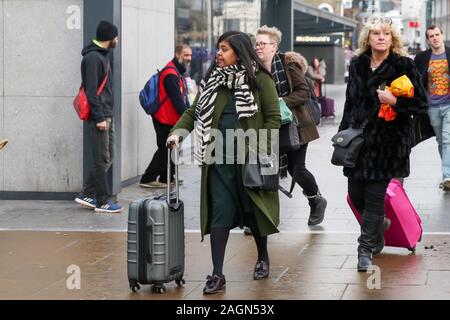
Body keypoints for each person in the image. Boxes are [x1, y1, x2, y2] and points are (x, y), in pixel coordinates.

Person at [167, 31, 281, 294]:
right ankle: (217, 273)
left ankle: (262, 256)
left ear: (239, 52)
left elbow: (273, 119)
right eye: (218, 48)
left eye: (225, 49)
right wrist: (177, 133)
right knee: (219, 211)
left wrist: (259, 151)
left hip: (248, 159)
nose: (218, 53)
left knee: (254, 211)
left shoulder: (260, 79)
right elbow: (193, 112)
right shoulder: (212, 80)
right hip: (217, 159)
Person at [338, 15, 427, 271]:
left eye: (386, 33)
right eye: (376, 33)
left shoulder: (404, 66)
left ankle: (365, 249)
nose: (380, 37)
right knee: (356, 195)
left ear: (392, 38)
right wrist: (343, 135)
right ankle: (380, 225)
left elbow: (421, 104)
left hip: (388, 144)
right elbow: (349, 102)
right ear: (368, 37)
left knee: (375, 198)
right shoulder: (357, 65)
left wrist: (395, 101)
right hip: (358, 142)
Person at [255, 25, 327, 226]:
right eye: (257, 44)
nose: (258, 47)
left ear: (274, 46)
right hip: (267, 127)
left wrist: (278, 103)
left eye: (263, 44)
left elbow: (304, 92)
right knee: (265, 170)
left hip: (296, 125)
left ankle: (316, 199)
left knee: (297, 169)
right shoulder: (254, 69)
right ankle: (264, 216)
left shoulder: (288, 65)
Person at [74, 21, 122, 214]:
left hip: (106, 114)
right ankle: (102, 201)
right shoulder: (93, 58)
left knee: (109, 157)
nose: (117, 40)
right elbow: (91, 92)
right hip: (100, 116)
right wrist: (99, 117)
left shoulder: (102, 56)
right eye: (115, 37)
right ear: (109, 38)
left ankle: (87, 192)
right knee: (101, 159)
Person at [139, 44, 192, 188]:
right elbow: (177, 101)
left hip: (170, 118)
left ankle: (166, 178)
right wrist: (189, 117)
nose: (189, 58)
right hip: (163, 118)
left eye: (190, 55)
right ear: (177, 55)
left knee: (173, 147)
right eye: (186, 55)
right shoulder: (170, 73)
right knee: (165, 148)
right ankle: (147, 178)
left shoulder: (176, 72)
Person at [414, 25, 450, 191]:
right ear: (428, 40)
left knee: (447, 139)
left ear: (442, 35)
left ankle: (447, 176)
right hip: (432, 106)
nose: (435, 38)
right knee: (441, 142)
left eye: (437, 35)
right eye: (431, 36)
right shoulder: (422, 58)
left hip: (449, 104)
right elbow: (415, 80)